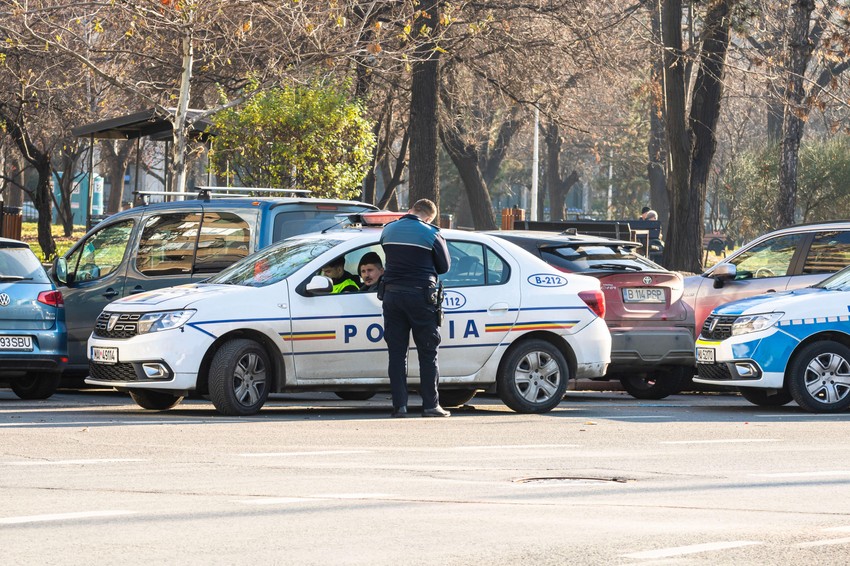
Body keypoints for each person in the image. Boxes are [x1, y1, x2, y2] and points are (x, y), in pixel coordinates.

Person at [380, 199, 451, 418]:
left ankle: (399, 406)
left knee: (396, 353)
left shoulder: (388, 230)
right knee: (428, 352)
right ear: (429, 217)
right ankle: (431, 405)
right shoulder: (431, 233)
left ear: (411, 210)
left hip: (392, 296)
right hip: (421, 297)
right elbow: (444, 266)